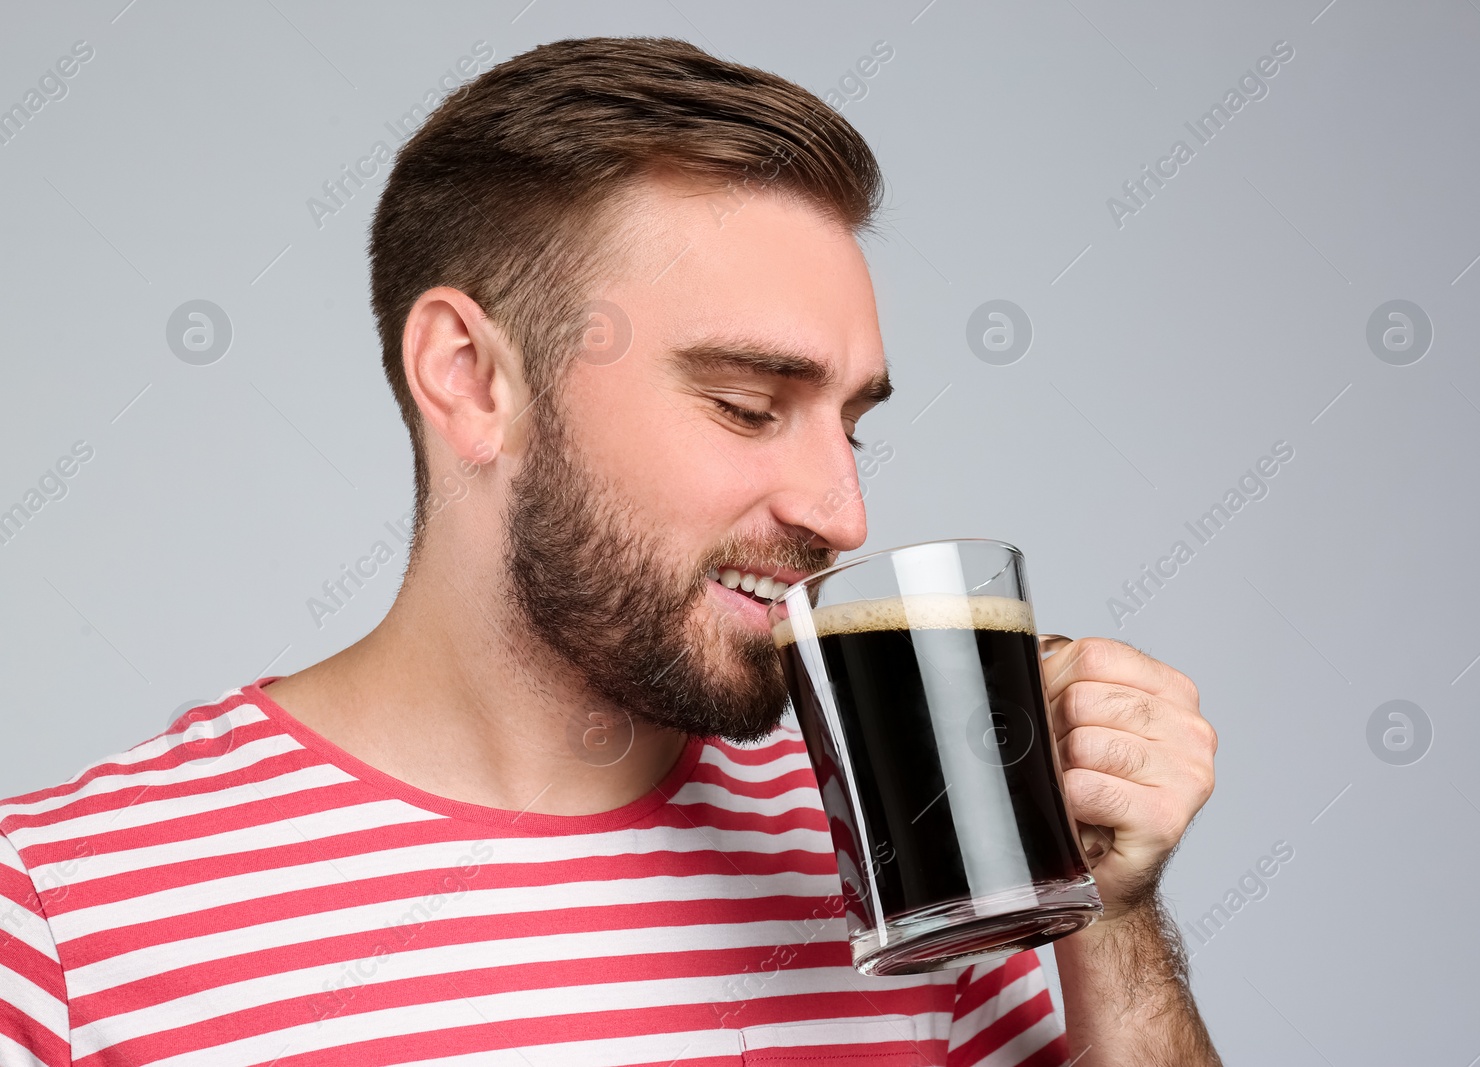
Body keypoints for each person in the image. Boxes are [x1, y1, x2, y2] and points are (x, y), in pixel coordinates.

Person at [0, 36, 1220, 1065]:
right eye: (747, 404)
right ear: (472, 379)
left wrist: (1104, 918)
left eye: (850, 423)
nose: (842, 512)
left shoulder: (914, 868)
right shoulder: (60, 913)